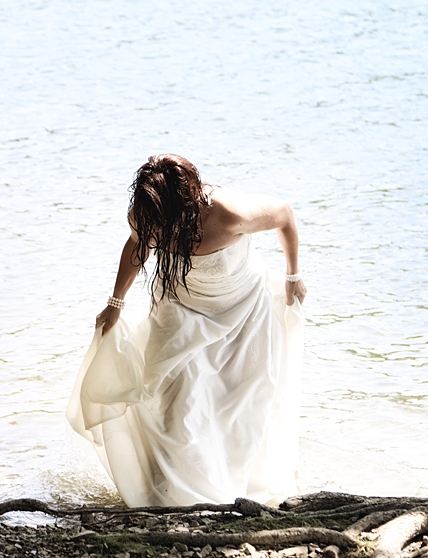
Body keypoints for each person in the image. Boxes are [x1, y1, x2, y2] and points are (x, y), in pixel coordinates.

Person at [66, 154, 306, 507]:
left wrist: (293, 276)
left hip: (243, 308)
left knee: (243, 404)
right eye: (153, 225)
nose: (157, 234)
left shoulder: (229, 212)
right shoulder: (147, 215)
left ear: (189, 207)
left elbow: (283, 215)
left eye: (163, 225)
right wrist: (116, 302)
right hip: (180, 308)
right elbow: (137, 245)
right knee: (176, 399)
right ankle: (176, 493)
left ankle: (234, 487)